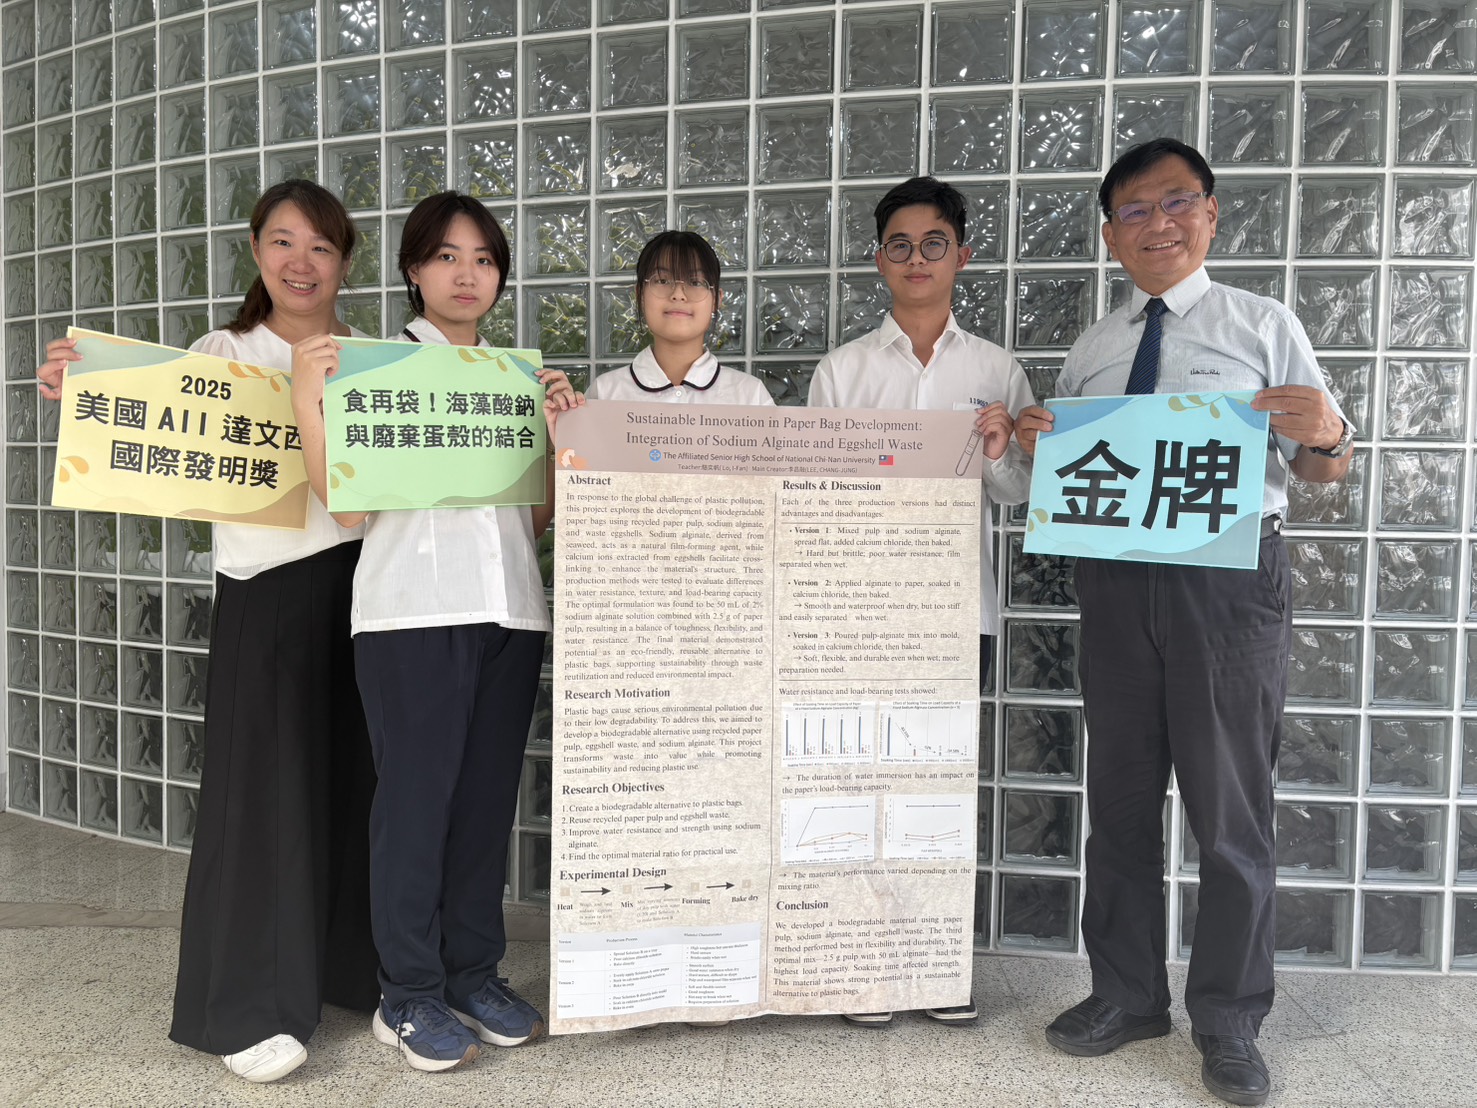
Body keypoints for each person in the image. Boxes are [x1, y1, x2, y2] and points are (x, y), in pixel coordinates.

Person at [1014, 138, 1353, 1107]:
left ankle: (1230, 1018)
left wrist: (1329, 433)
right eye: (1133, 209)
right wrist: (1037, 442)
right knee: (1118, 803)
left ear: (1208, 213)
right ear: (1110, 234)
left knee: (1229, 813)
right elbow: (1072, 477)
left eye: (1175, 202)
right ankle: (1126, 995)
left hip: (1227, 586)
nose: (1156, 223)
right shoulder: (1092, 348)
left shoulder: (1261, 324)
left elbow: (1323, 469)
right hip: (1115, 586)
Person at [36, 179, 381, 1083]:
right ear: (256, 252)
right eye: (283, 241)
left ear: (346, 262)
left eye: (322, 245)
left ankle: (355, 972)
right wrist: (84, 393)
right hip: (267, 590)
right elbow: (156, 440)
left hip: (367, 587)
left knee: (359, 785)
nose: (301, 262)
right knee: (262, 794)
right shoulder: (223, 353)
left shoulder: (370, 360)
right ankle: (246, 1006)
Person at [290, 191, 576, 1072]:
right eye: (447, 256)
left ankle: (472, 975)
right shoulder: (375, 371)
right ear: (414, 269)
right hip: (412, 612)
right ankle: (408, 992)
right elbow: (346, 507)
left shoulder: (514, 381)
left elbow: (534, 521)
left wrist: (559, 437)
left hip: (510, 611)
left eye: (484, 259)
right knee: (415, 810)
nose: (466, 274)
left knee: (484, 810)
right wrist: (308, 397)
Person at [807, 175, 1035, 1028]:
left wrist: (998, 448)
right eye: (899, 245)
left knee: (938, 786)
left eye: (933, 243)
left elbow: (1018, 492)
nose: (916, 258)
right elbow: (814, 495)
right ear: (879, 260)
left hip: (954, 611)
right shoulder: (843, 371)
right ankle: (867, 966)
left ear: (961, 255)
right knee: (861, 781)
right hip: (862, 613)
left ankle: (937, 965)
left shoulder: (995, 369)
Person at [586, 229, 775, 406]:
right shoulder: (604, 394)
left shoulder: (751, 396)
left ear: (716, 300)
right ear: (640, 295)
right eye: (662, 280)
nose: (678, 294)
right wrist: (568, 420)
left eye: (695, 282)